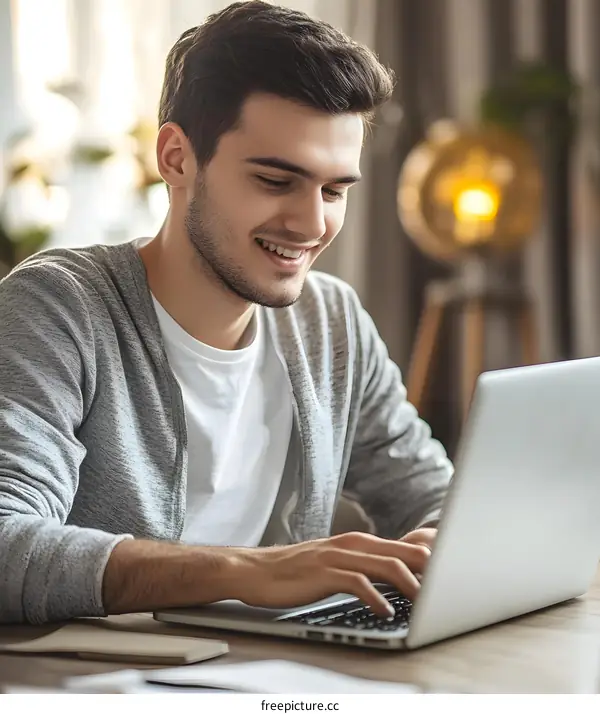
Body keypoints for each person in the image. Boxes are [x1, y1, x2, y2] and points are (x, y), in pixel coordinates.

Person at [0, 0, 453, 626]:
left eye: (334, 190)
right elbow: (5, 541)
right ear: (177, 158)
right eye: (275, 181)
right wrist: (252, 571)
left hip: (266, 670)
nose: (313, 224)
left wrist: (445, 540)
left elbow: (432, 493)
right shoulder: (59, 307)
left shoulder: (332, 322)